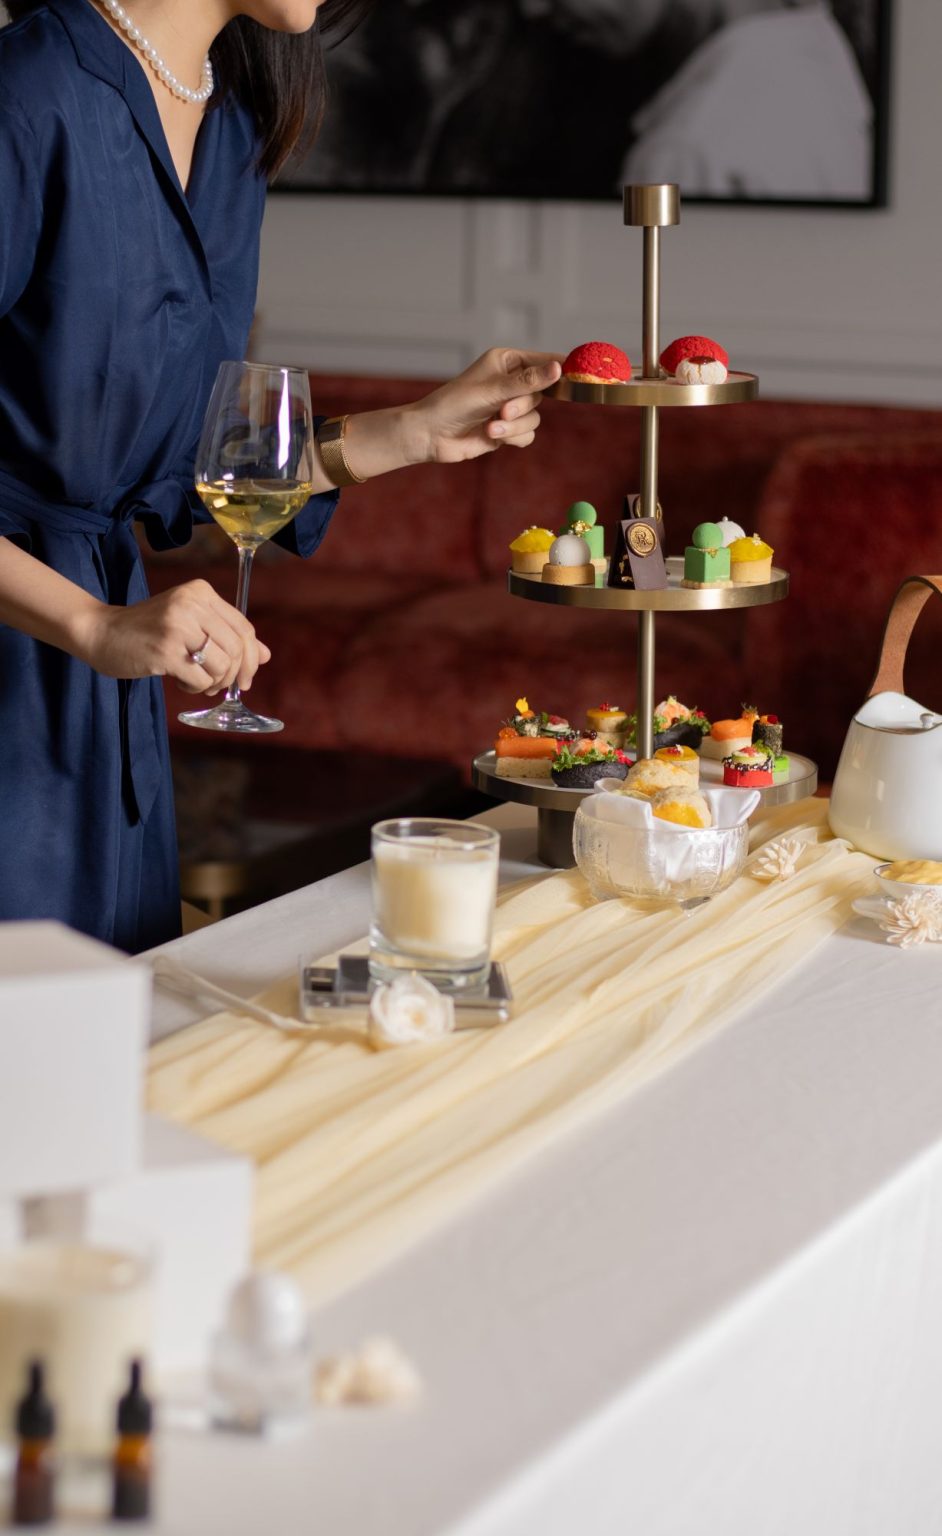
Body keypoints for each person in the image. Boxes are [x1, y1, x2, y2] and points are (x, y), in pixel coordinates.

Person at [0, 0, 563, 953]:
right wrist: (92, 624)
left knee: (107, 1014)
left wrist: (413, 431)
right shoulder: (27, 94)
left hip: (101, 686)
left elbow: (190, 459)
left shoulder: (231, 128)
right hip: (36, 649)